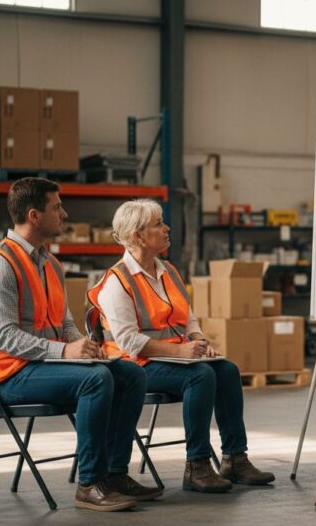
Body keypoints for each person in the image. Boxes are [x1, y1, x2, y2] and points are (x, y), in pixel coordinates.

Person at [0, 177, 159, 511]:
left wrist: (82, 345)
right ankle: (90, 483)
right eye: (57, 207)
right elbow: (4, 338)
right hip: (6, 376)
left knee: (130, 374)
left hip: (42, 365)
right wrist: (65, 352)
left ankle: (114, 474)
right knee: (96, 380)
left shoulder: (50, 264)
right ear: (34, 215)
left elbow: (64, 322)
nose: (65, 215)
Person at [88, 199, 276, 494]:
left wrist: (198, 341)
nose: (167, 228)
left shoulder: (168, 271)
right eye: (158, 224)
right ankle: (197, 465)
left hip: (174, 358)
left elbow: (188, 317)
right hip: (133, 366)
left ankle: (234, 459)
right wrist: (180, 352)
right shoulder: (117, 282)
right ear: (137, 236)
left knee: (226, 371)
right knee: (201, 376)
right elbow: (127, 340)